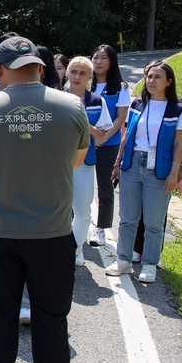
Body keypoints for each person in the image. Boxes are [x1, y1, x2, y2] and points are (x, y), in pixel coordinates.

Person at [0, 35, 88, 363]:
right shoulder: (71, 105)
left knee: (1, 313)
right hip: (51, 230)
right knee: (51, 315)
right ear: (40, 67)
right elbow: (76, 159)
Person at [107, 61, 182, 284]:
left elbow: (179, 144)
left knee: (154, 221)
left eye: (157, 77)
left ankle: (150, 264)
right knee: (127, 218)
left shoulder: (179, 109)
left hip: (159, 169)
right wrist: (117, 162)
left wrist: (174, 172)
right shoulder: (137, 104)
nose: (151, 81)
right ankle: (123, 260)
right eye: (149, 77)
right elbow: (127, 135)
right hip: (132, 164)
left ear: (169, 82)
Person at [64, 57, 114, 267]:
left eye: (83, 73)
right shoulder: (55, 98)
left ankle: (75, 248)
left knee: (83, 211)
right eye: (74, 72)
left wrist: (85, 123)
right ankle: (58, 249)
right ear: (67, 73)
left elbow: (102, 136)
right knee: (60, 210)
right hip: (57, 163)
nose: (77, 77)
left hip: (84, 163)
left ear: (90, 77)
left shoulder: (96, 101)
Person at [89, 44, 130, 246]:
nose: (98, 62)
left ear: (112, 61)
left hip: (109, 144)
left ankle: (101, 229)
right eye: (95, 57)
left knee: (105, 188)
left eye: (103, 58)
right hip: (83, 144)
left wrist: (103, 138)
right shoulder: (85, 84)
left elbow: (121, 118)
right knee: (79, 186)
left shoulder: (120, 88)